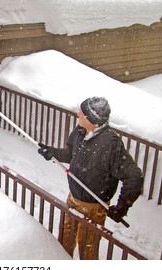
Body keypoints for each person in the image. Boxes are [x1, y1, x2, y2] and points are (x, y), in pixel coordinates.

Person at [38, 96, 143, 260]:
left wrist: (122, 207)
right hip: (73, 199)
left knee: (87, 250)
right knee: (64, 242)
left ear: (92, 118)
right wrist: (53, 153)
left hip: (94, 208)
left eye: (82, 112)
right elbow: (70, 153)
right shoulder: (80, 131)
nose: (77, 114)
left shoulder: (110, 144)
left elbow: (134, 177)